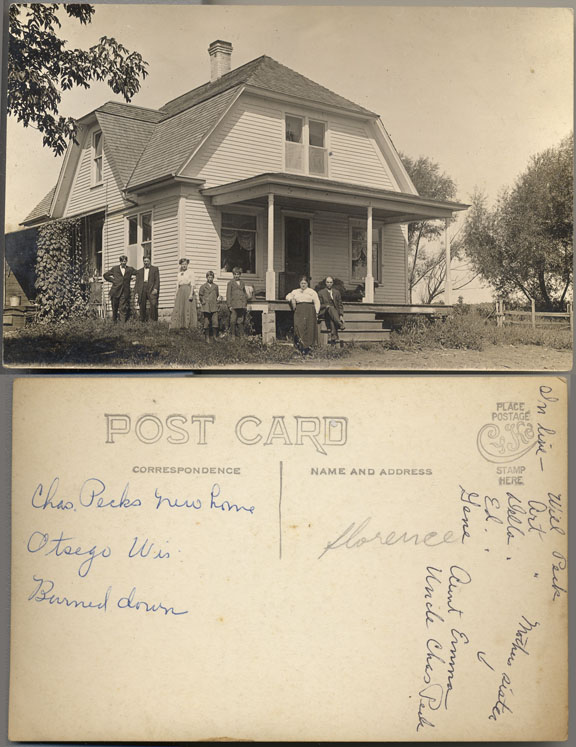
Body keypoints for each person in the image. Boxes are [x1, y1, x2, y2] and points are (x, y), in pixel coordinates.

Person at [286, 275, 320, 356]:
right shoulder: (295, 291)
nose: (303, 285)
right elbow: (288, 296)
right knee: (299, 327)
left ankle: (308, 349)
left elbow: (317, 302)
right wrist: (292, 299)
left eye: (305, 283)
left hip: (310, 311)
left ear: (307, 283)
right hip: (299, 311)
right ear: (299, 283)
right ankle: (300, 348)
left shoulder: (312, 292)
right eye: (302, 283)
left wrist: (317, 312)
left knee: (309, 328)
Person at [103, 255, 136, 322]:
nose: (124, 262)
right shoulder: (115, 269)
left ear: (126, 261)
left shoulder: (130, 269)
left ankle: (122, 324)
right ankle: (114, 322)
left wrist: (136, 278)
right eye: (122, 261)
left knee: (123, 308)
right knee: (114, 308)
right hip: (115, 291)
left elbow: (138, 273)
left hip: (125, 291)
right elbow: (105, 275)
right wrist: (113, 281)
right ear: (120, 261)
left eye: (125, 261)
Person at [169, 258, 197, 330]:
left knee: (187, 307)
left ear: (187, 264)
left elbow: (192, 284)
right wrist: (176, 295)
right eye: (182, 264)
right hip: (181, 291)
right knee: (179, 307)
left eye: (185, 264)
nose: (184, 265)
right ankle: (179, 325)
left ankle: (188, 325)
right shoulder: (179, 274)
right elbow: (177, 285)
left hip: (188, 290)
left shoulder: (191, 272)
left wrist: (191, 294)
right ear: (180, 265)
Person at [318, 276, 345, 344]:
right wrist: (326, 306)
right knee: (330, 308)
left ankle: (333, 335)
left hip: (334, 314)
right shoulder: (321, 292)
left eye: (330, 282)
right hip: (324, 312)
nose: (329, 284)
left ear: (333, 283)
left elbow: (340, 305)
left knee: (332, 315)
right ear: (325, 283)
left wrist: (341, 315)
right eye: (327, 282)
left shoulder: (336, 292)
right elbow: (319, 305)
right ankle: (339, 323)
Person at [135, 256, 160, 322]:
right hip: (142, 288)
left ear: (150, 261)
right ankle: (142, 320)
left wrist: (155, 288)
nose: (146, 262)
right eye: (145, 261)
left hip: (151, 287)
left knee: (153, 304)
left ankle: (153, 321)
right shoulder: (139, 271)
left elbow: (157, 280)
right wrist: (136, 292)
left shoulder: (155, 269)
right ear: (143, 262)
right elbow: (137, 282)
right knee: (142, 304)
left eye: (147, 261)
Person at [226, 266, 249, 337]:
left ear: (240, 274)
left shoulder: (242, 283)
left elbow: (244, 293)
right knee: (233, 320)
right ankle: (233, 335)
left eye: (238, 274)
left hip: (241, 305)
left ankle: (241, 335)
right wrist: (229, 305)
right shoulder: (230, 283)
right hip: (234, 305)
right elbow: (228, 294)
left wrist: (245, 303)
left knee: (240, 320)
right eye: (235, 274)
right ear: (233, 275)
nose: (237, 276)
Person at [198, 271, 220, 342]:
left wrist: (216, 302)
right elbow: (200, 296)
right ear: (206, 278)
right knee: (206, 322)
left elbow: (217, 295)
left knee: (215, 321)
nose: (210, 278)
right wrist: (203, 301)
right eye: (209, 277)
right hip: (206, 306)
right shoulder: (203, 286)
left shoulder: (216, 286)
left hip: (214, 305)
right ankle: (207, 337)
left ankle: (214, 336)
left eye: (211, 277)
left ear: (213, 278)